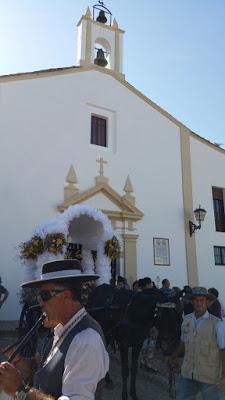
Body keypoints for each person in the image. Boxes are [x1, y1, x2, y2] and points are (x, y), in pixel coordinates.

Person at [0, 259, 109, 400]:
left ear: (66, 296)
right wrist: (22, 362)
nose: (39, 302)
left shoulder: (86, 340)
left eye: (44, 295)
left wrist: (20, 390)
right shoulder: (59, 329)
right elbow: (46, 370)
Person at [169, 286, 225, 400]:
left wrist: (224, 375)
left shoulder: (217, 324)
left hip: (208, 376)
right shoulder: (187, 320)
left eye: (202, 300)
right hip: (188, 373)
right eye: (196, 300)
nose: (199, 303)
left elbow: (223, 349)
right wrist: (173, 357)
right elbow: (183, 342)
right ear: (192, 302)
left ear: (207, 302)